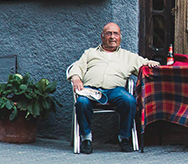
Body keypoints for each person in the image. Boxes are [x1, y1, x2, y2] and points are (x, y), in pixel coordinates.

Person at [67, 22, 159, 154]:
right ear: (102, 36)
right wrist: (76, 77)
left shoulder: (128, 56)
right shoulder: (90, 53)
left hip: (115, 90)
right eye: (109, 33)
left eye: (116, 33)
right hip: (91, 90)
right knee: (81, 102)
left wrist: (151, 63)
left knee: (129, 101)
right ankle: (86, 138)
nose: (112, 37)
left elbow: (144, 63)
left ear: (120, 37)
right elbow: (77, 66)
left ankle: (124, 138)